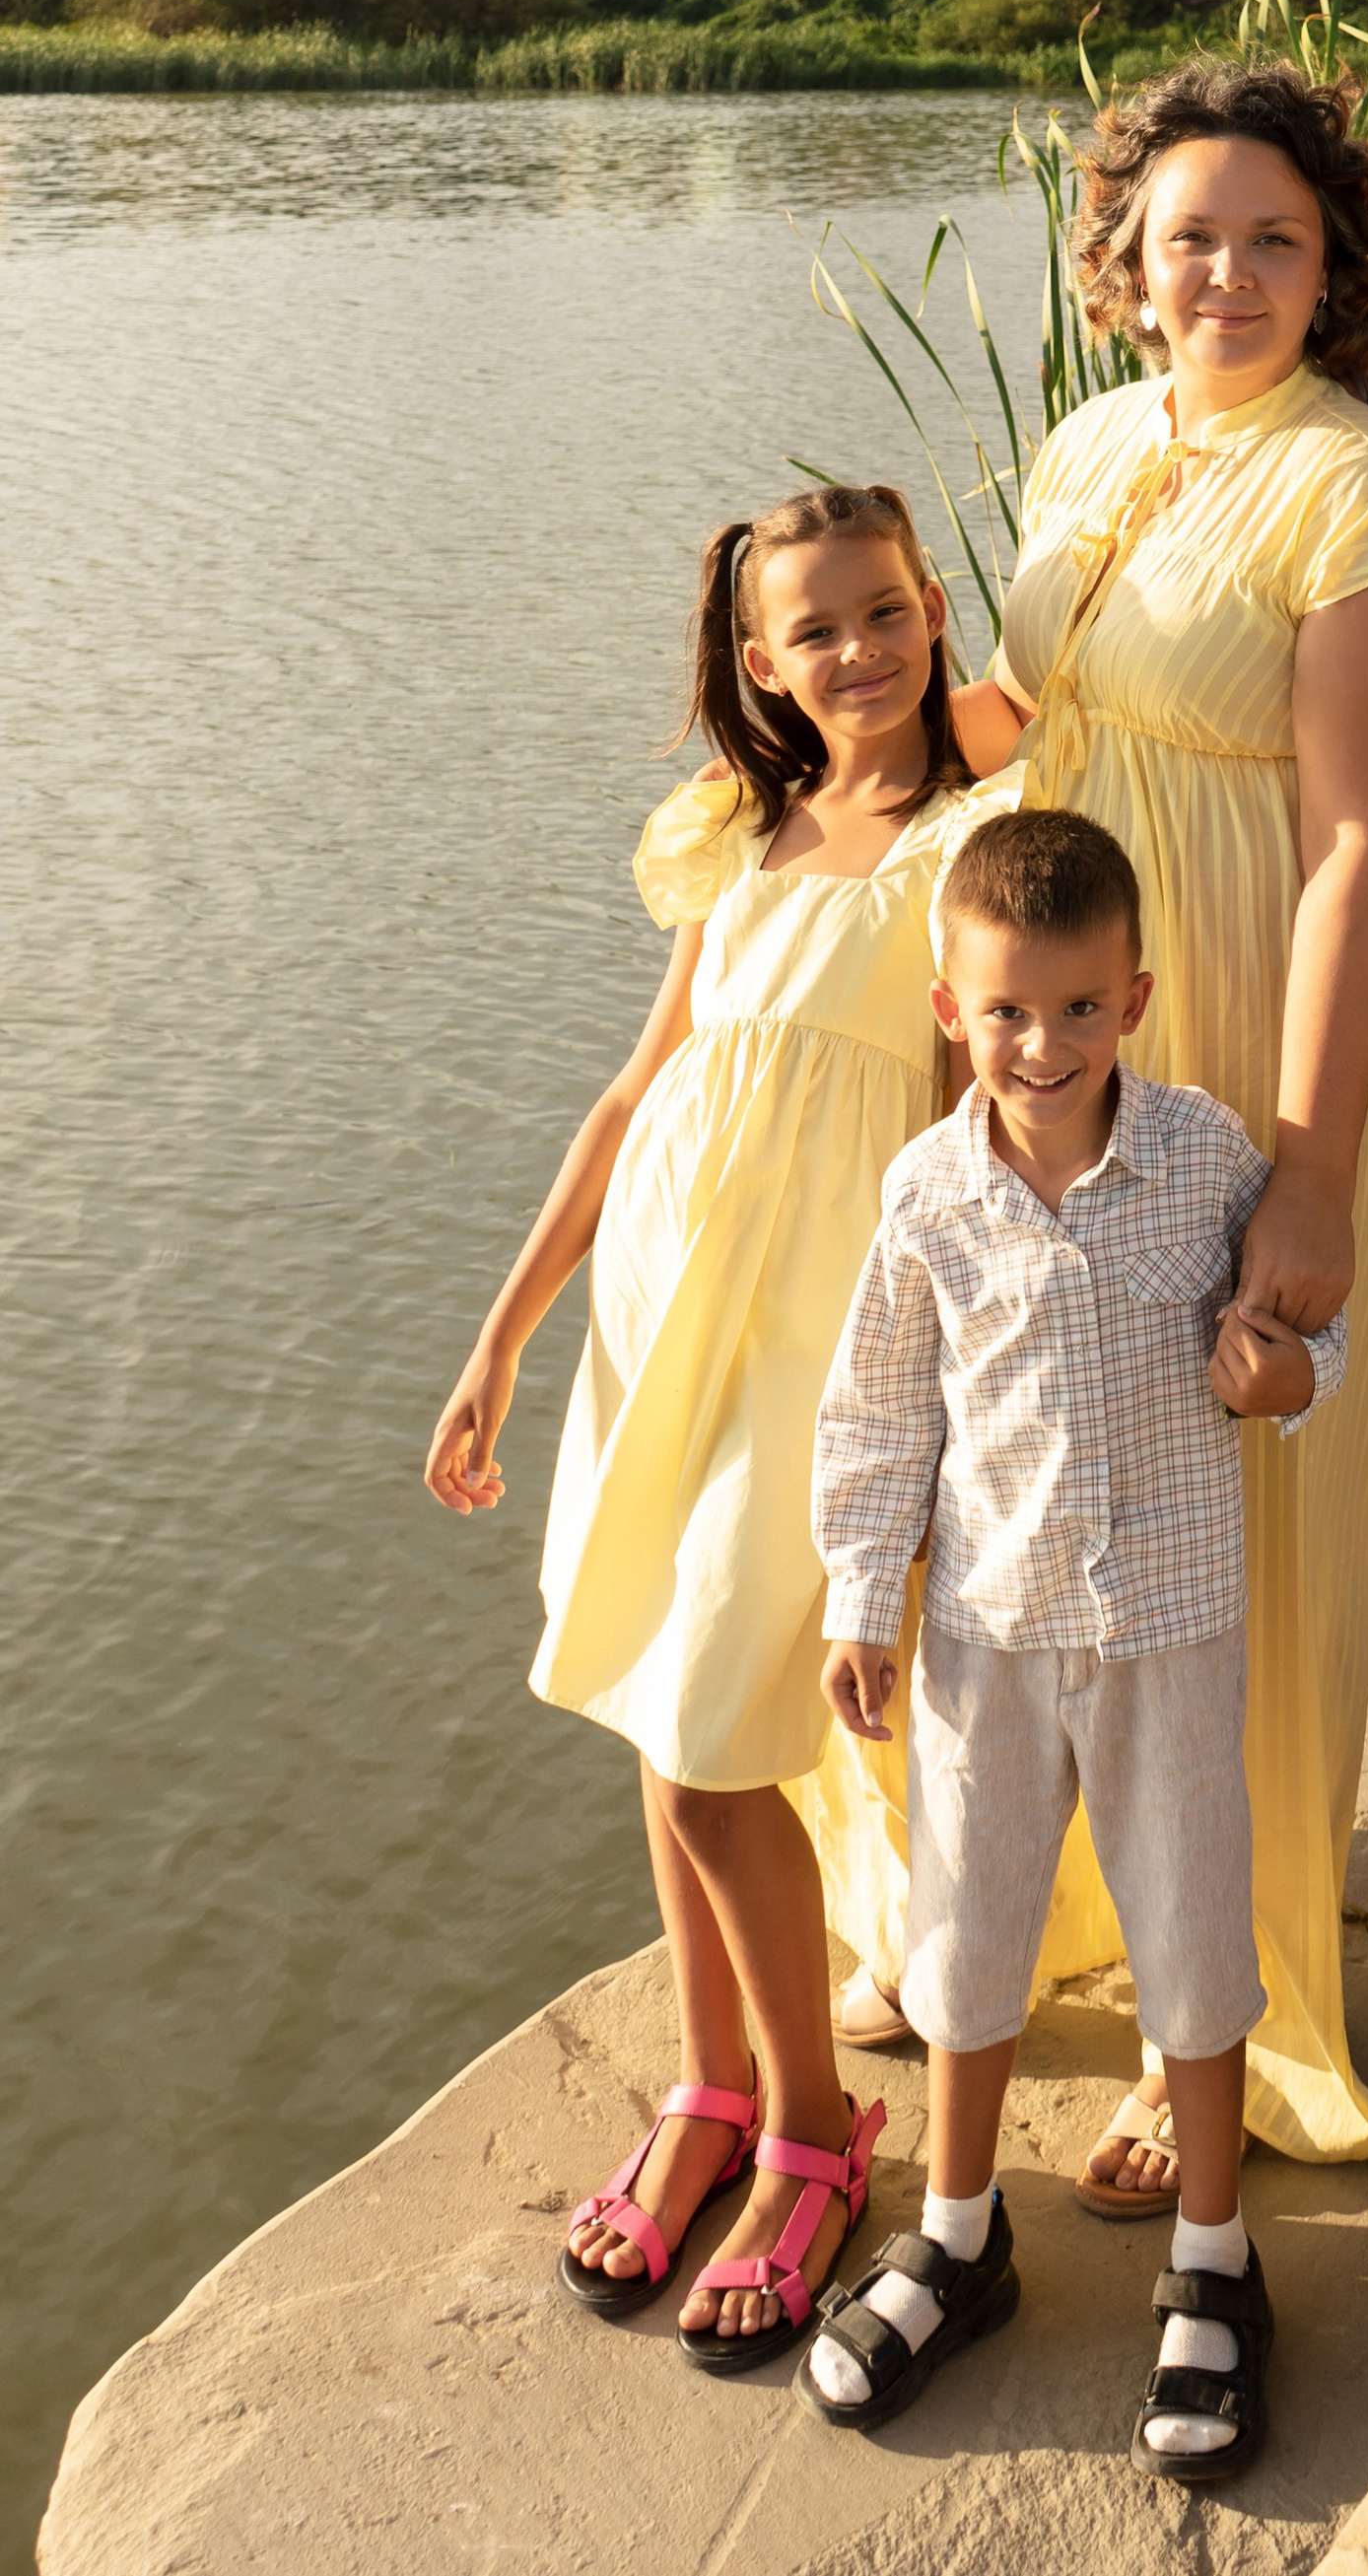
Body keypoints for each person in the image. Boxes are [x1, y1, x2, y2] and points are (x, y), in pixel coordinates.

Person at [821, 56, 1368, 2199]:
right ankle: (1072, 1921)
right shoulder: (1102, 439)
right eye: (1187, 234)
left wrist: (1306, 1157)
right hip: (1062, 1041)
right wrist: (812, 767)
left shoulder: (1360, 496)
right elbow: (1026, 712)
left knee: (1247, 1555)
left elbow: (1364, 848)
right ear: (1120, 261)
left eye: (1273, 236)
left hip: (1258, 1034)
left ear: (1335, 261)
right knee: (1044, 1491)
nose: (1226, 271)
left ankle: (1246, 2012)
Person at [422, 480, 1001, 2369]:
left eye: (889, 609)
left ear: (937, 608)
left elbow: (955, 1131)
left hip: (820, 1354)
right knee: (653, 1713)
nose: (862, 651)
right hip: (666, 1325)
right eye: (817, 628)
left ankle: (823, 2133)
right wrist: (506, 1332)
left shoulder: (965, 837)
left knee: (709, 1749)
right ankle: (715, 2086)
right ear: (762, 663)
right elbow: (629, 1099)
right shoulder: (748, 841)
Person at [804, 807, 1335, 2481]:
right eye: (1010, 1012)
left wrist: (1282, 1379)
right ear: (953, 1008)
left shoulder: (1204, 1158)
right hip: (982, 1624)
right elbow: (881, 1408)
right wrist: (856, 1587)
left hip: (1170, 1622)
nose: (1046, 1046)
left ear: (1139, 997)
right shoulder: (928, 1192)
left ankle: (1212, 2253)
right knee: (967, 1932)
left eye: (1082, 1009)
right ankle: (960, 2235)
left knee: (1189, 1925)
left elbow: (1301, 1336)